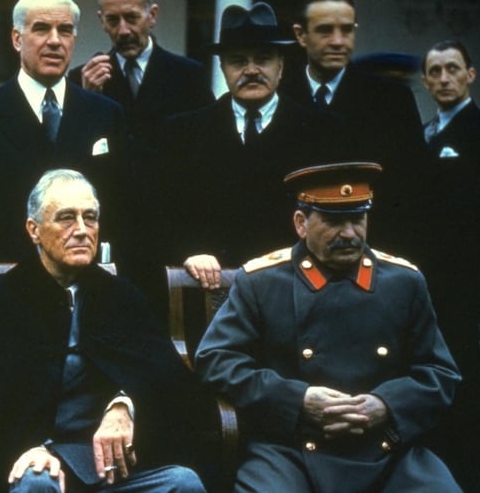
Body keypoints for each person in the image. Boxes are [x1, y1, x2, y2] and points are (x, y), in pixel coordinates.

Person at [195, 161, 461, 493]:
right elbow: (216, 359)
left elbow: (439, 372)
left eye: (357, 218)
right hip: (290, 447)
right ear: (301, 224)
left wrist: (386, 405)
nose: (349, 234)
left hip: (386, 449)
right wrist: (298, 400)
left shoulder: (404, 281)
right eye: (334, 221)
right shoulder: (261, 282)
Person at [0, 169, 207, 493]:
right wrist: (24, 448)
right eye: (66, 218)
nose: (83, 231)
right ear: (34, 230)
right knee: (36, 484)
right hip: (35, 464)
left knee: (182, 484)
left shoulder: (122, 298)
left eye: (91, 218)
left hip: (109, 469)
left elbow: (169, 380)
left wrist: (125, 405)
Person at [163, 2, 346, 290]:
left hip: (296, 288)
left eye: (262, 59)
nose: (251, 70)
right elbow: (166, 210)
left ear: (281, 66)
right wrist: (190, 250)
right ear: (222, 68)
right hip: (212, 287)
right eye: (238, 61)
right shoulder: (183, 131)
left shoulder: (321, 130)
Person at [67, 0, 214, 319]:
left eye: (132, 18)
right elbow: (71, 164)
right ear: (100, 20)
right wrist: (87, 100)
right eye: (113, 20)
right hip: (112, 239)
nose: (123, 31)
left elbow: (207, 161)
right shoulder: (82, 79)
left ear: (153, 15)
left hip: (173, 237)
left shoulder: (188, 76)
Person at [0, 0, 126, 263]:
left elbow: (122, 210)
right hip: (6, 286)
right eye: (41, 29)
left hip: (88, 286)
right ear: (17, 39)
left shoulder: (105, 114)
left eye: (64, 30)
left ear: (74, 39)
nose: (54, 41)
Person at [418, 39, 480, 493]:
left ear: (470, 75)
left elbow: (460, 197)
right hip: (422, 275)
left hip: (458, 275)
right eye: (434, 72)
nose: (443, 79)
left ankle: (469, 481)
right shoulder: (425, 131)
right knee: (425, 371)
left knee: (459, 372)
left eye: (452, 69)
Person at [280, 0, 429, 256]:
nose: (338, 41)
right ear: (301, 35)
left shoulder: (391, 99)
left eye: (347, 30)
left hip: (367, 257)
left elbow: (412, 191)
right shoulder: (280, 95)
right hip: (290, 260)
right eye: (325, 30)